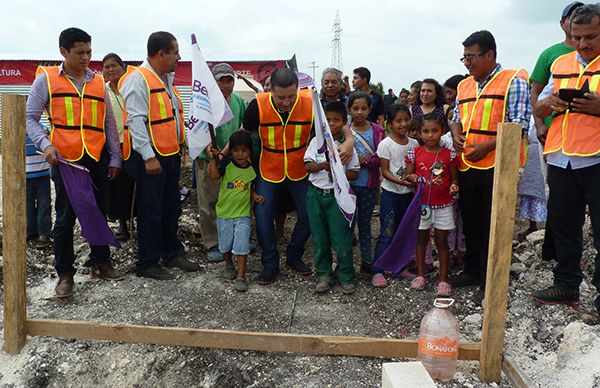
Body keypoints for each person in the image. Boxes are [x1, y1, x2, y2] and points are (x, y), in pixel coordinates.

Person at [25, 27, 124, 297]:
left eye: (89, 51)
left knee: (98, 211)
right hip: (66, 160)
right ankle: (65, 274)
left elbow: (109, 124)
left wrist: (115, 157)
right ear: (63, 52)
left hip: (97, 157)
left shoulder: (98, 83)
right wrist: (46, 145)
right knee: (66, 218)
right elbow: (30, 118)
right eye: (80, 52)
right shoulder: (46, 80)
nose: (86, 57)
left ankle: (101, 262)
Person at [242, 68, 355, 284]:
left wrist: (349, 142)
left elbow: (335, 127)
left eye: (291, 96)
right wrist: (223, 156)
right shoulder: (258, 104)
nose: (286, 102)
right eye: (280, 97)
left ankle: (294, 255)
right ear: (270, 91)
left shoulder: (311, 103)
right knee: (263, 214)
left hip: (301, 168)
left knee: (308, 213)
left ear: (298, 89)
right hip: (269, 167)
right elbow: (243, 133)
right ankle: (270, 264)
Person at [450, 30, 531, 305]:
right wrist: (455, 132)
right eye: (464, 58)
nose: (467, 63)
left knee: (492, 224)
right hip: (468, 164)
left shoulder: (513, 82)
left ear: (490, 55)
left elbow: (519, 125)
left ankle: (492, 279)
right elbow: (457, 116)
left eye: (471, 57)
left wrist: (487, 146)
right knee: (471, 222)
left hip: (498, 165)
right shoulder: (464, 86)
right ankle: (473, 271)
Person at [532, 4, 600, 315]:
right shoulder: (559, 64)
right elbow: (539, 109)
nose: (584, 44)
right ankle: (566, 283)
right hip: (562, 158)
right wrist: (548, 104)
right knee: (564, 224)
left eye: (591, 37)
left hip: (596, 158)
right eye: (578, 37)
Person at [120, 31, 199, 279]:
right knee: (151, 210)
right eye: (175, 52)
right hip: (151, 158)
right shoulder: (138, 79)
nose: (178, 56)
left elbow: (172, 117)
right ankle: (147, 262)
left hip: (170, 155)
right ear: (160, 53)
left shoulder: (166, 79)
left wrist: (181, 145)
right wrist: (148, 157)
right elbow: (136, 121)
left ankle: (171, 253)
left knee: (171, 207)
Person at [530, 1, 583, 261]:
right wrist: (540, 124)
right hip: (555, 138)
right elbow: (537, 92)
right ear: (563, 23)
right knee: (558, 197)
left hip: (590, 145)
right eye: (572, 17)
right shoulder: (553, 56)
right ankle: (554, 252)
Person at [304, 101, 360, 295]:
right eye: (327, 120)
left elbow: (355, 172)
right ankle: (323, 275)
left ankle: (346, 275)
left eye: (337, 120)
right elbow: (308, 166)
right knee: (319, 238)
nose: (332, 123)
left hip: (338, 197)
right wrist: (323, 166)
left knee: (342, 238)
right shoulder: (315, 143)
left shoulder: (345, 147)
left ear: (345, 122)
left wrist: (338, 174)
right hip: (316, 194)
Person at [195, 63, 247, 262]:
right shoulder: (204, 102)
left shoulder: (237, 101)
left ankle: (233, 239)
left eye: (229, 80)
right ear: (213, 82)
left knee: (232, 199)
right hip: (208, 159)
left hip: (232, 160)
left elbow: (243, 126)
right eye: (221, 81)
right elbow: (195, 128)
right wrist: (208, 147)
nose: (226, 85)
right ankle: (212, 242)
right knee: (209, 202)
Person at [406, 113, 459, 296]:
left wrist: (453, 186)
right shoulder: (415, 152)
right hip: (422, 207)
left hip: (443, 205)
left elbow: (453, 179)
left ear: (442, 131)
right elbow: (409, 175)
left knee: (442, 242)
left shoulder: (449, 155)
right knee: (421, 240)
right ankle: (421, 275)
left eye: (434, 131)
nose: (430, 135)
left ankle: (443, 279)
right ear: (419, 134)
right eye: (426, 131)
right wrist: (411, 177)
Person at [207, 131, 263, 292]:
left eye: (244, 150)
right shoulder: (226, 165)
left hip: (243, 215)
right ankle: (229, 264)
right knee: (225, 245)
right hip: (224, 214)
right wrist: (214, 158)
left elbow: (249, 186)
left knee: (241, 245)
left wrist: (255, 196)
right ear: (230, 151)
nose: (240, 154)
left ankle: (241, 276)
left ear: (249, 151)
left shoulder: (252, 169)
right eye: (236, 150)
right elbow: (213, 175)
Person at [373, 104, 419, 287]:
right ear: (390, 123)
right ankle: (377, 270)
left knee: (403, 231)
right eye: (398, 120)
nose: (403, 124)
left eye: (406, 119)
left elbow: (414, 167)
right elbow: (385, 171)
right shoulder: (385, 144)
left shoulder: (414, 143)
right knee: (387, 231)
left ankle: (398, 267)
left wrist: (413, 180)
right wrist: (402, 182)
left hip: (408, 195)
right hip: (391, 194)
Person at [348, 91, 386, 277]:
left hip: (368, 185)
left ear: (370, 109)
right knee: (347, 224)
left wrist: (367, 162)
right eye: (356, 108)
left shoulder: (378, 131)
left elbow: (382, 157)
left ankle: (366, 261)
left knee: (365, 224)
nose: (360, 112)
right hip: (348, 185)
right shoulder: (344, 130)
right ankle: (345, 263)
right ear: (349, 110)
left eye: (364, 108)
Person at [102, 53, 134, 240]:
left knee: (133, 184)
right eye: (106, 67)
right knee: (117, 186)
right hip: (113, 145)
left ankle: (134, 220)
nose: (111, 69)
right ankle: (122, 225)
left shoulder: (130, 87)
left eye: (114, 65)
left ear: (123, 67)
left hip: (133, 143)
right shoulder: (101, 90)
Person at [26, 123, 52, 249]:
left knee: (44, 204)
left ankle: (43, 232)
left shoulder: (42, 129)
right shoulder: (16, 129)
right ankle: (30, 231)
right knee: (27, 205)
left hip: (43, 174)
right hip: (24, 175)